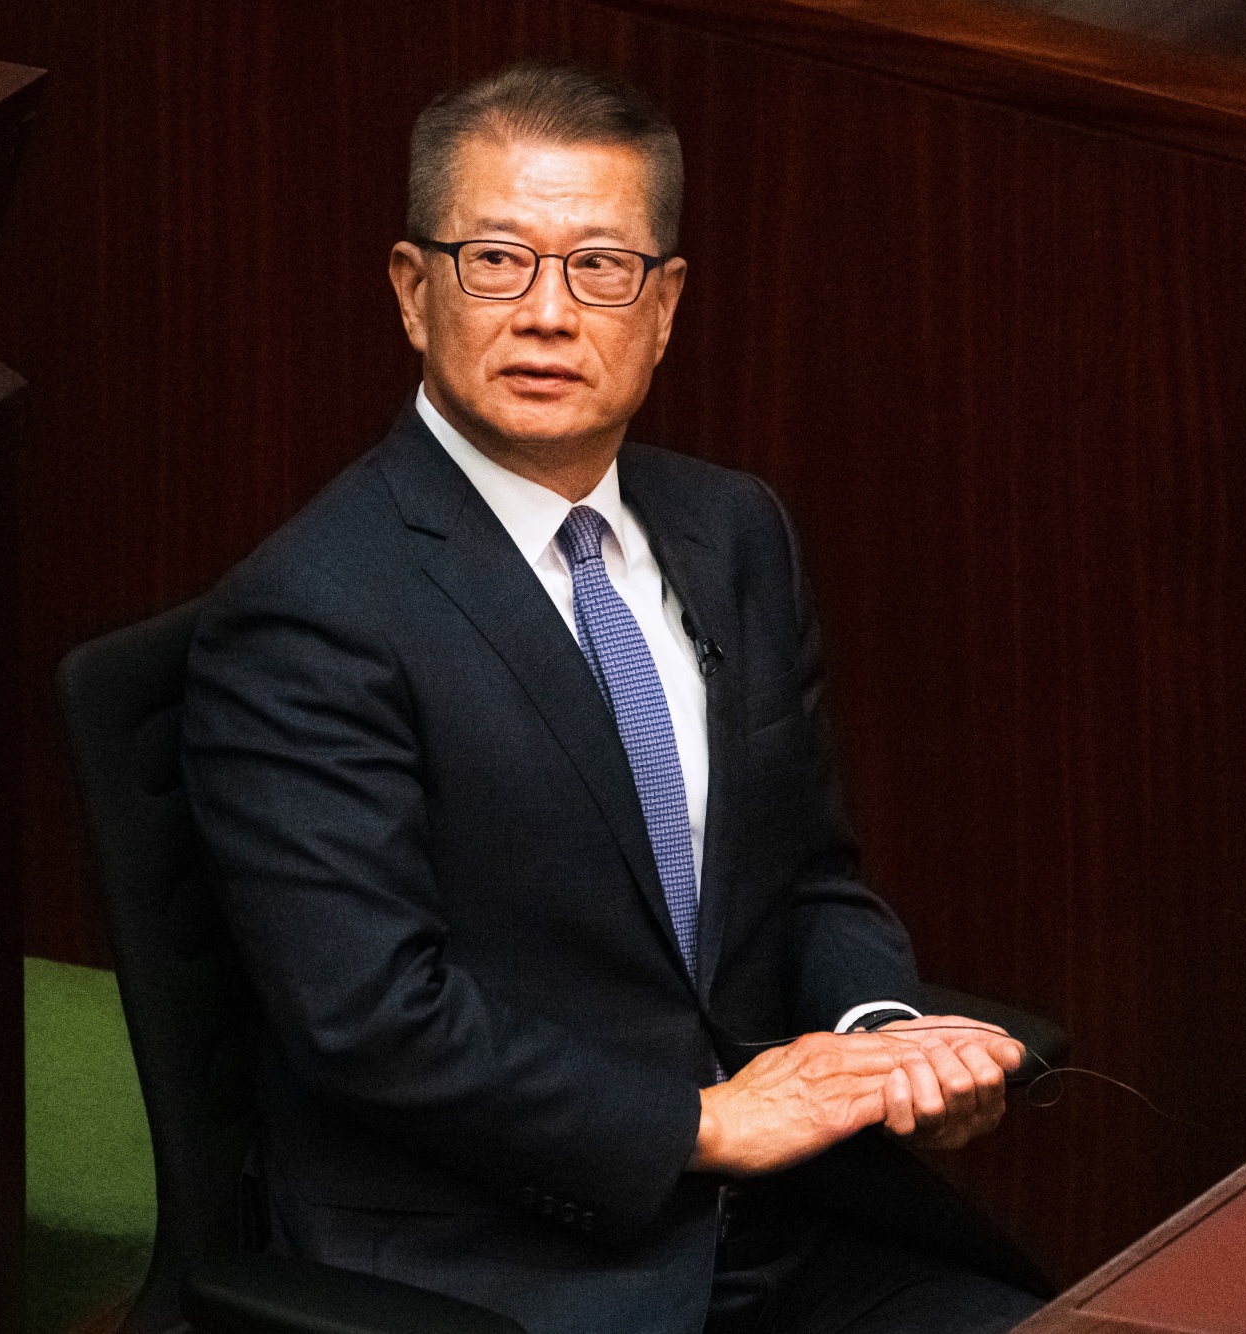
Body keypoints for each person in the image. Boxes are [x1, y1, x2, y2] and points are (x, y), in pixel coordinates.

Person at [181, 62, 1047, 1334]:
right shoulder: (312, 614)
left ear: (664, 304)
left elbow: (804, 874)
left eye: (598, 267)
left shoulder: (732, 531)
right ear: (413, 294)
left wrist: (884, 1038)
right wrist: (705, 1122)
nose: (545, 314)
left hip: (787, 1229)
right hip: (507, 1263)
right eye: (495, 262)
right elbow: (372, 1018)